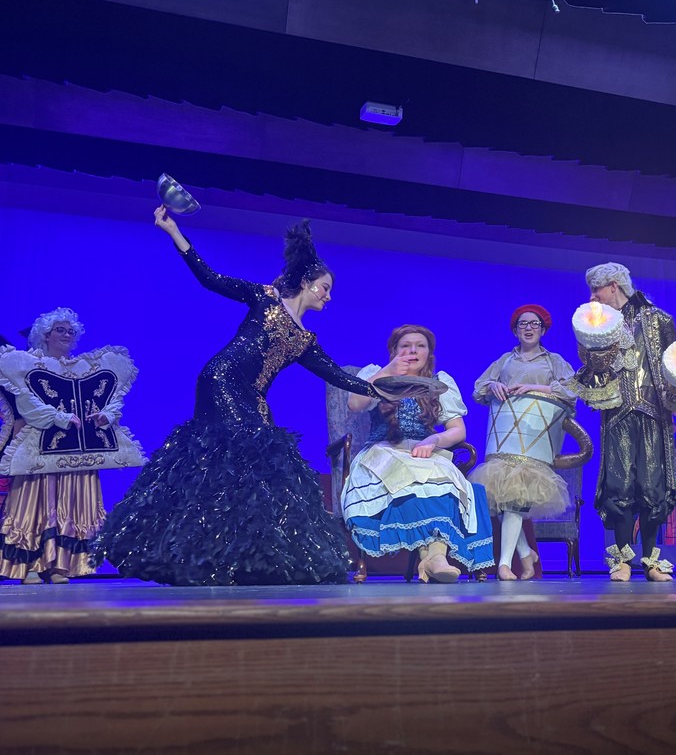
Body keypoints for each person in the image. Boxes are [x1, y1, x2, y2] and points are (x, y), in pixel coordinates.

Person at [92, 207, 440, 586]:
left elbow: (339, 376)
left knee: (262, 465)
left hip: (253, 395)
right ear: (307, 283)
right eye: (325, 288)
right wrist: (173, 230)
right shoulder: (265, 298)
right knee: (228, 459)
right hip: (221, 380)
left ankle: (236, 556)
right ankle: (201, 552)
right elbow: (210, 279)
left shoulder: (306, 341)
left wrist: (383, 383)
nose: (328, 297)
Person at [341, 325, 494, 583]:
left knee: (445, 482)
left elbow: (458, 431)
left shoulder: (440, 383)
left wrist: (434, 440)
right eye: (405, 346)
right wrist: (388, 371)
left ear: (429, 353)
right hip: (384, 450)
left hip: (424, 451)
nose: (413, 350)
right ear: (394, 351)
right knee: (407, 481)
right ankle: (433, 559)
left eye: (420, 346)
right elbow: (355, 404)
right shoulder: (375, 375)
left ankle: (434, 557)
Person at [572, 263, 676, 582]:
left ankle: (651, 561)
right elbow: (590, 365)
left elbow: (674, 365)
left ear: (613, 286)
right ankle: (621, 559)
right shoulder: (597, 324)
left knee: (652, 486)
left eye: (597, 289)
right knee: (619, 485)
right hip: (618, 411)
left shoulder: (659, 319)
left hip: (653, 411)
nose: (593, 296)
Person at [0, 309, 114, 584]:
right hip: (38, 442)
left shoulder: (81, 369)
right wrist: (58, 418)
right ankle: (28, 566)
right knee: (35, 502)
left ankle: (60, 566)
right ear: (46, 334)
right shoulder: (29, 365)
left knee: (68, 501)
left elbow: (105, 399)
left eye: (70, 331)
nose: (66, 335)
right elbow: (27, 405)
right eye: (60, 330)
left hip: (73, 445)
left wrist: (106, 416)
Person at [470, 305, 576, 581]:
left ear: (543, 329)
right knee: (508, 499)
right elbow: (479, 388)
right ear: (515, 330)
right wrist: (493, 385)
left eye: (534, 324)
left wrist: (537, 388)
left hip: (534, 440)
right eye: (522, 324)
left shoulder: (553, 361)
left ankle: (505, 564)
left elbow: (572, 391)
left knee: (513, 501)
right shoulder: (505, 360)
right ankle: (525, 554)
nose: (528, 328)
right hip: (504, 441)